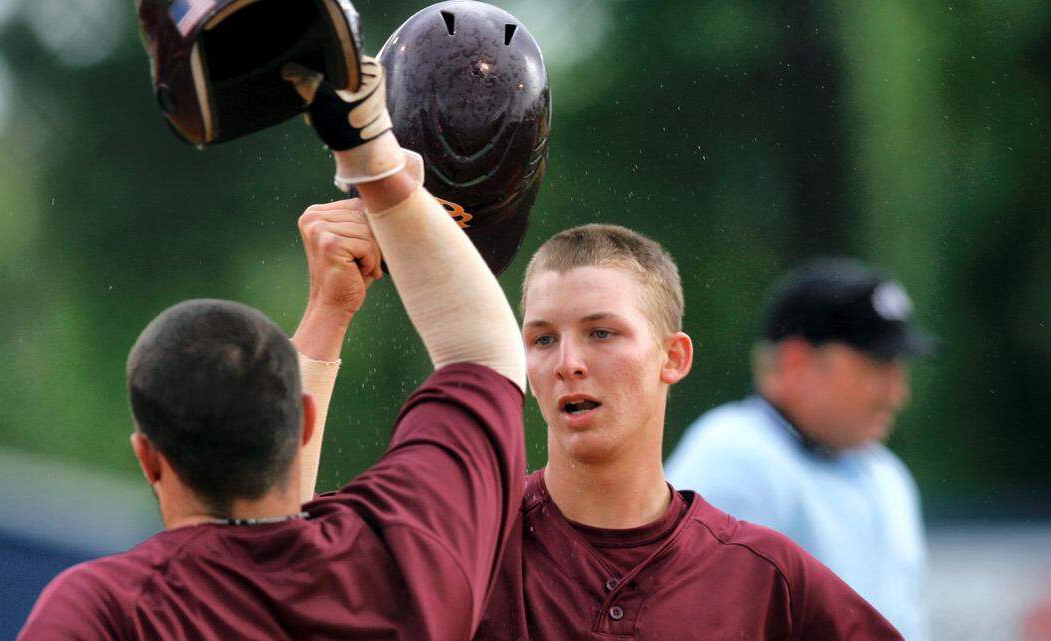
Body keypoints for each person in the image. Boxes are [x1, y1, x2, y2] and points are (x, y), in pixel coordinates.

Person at [17, 55, 526, 641]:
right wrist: (373, 163)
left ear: (149, 459)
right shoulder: (397, 560)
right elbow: (483, 355)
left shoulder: (110, 610)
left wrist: (328, 310)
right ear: (303, 422)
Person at [303, 222, 903, 639]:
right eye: (542, 339)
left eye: (602, 332)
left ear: (674, 357)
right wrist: (330, 309)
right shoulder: (464, 540)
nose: (567, 361)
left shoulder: (767, 576)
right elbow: (267, 550)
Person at [666, 258, 935, 641]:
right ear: (796, 364)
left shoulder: (884, 472)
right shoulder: (733, 459)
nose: (897, 393)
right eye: (876, 367)